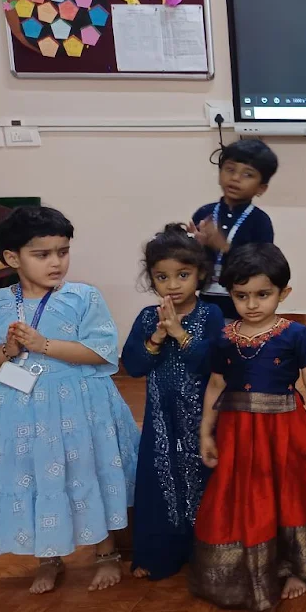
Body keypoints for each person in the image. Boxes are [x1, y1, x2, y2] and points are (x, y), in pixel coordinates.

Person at [0, 207, 139, 594]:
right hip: (19, 410)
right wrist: (8, 349)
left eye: (63, 252)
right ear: (13, 258)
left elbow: (102, 352)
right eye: (42, 254)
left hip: (79, 405)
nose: (56, 262)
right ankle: (47, 557)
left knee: (86, 469)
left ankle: (105, 553)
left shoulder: (83, 297)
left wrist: (43, 345)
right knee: (31, 473)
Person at [191, 244, 306, 611]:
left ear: (283, 293)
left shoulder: (296, 335)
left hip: (286, 430)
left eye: (263, 294)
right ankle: (253, 569)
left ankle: (294, 567)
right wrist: (205, 432)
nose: (252, 304)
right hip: (238, 433)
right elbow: (215, 385)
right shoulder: (224, 339)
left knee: (291, 493)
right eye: (241, 296)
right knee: (246, 496)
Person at [122, 224, 224, 581]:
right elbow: (133, 366)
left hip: (203, 418)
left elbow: (216, 365)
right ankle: (161, 553)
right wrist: (157, 336)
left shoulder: (210, 316)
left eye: (183, 274)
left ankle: (208, 553)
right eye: (162, 277)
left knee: (204, 481)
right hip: (161, 422)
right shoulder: (149, 318)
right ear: (152, 280)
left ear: (200, 274)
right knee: (161, 481)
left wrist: (181, 335)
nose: (173, 284)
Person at [190, 139, 278, 322]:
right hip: (203, 300)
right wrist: (195, 247)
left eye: (248, 174)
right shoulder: (204, 213)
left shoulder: (260, 221)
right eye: (230, 169)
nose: (236, 178)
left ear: (261, 188)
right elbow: (186, 262)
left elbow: (262, 266)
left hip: (242, 305)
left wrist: (223, 246)